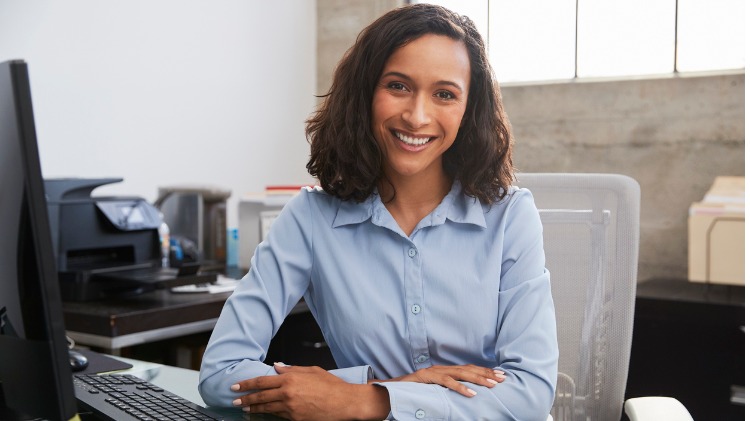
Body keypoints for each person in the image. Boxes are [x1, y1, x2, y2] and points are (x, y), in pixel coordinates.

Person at [199, 3, 558, 420]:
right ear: (365, 93)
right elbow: (220, 374)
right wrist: (388, 389)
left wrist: (360, 399)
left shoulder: (510, 216)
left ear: (468, 109)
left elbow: (530, 395)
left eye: (444, 94)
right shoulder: (311, 218)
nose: (417, 115)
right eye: (398, 86)